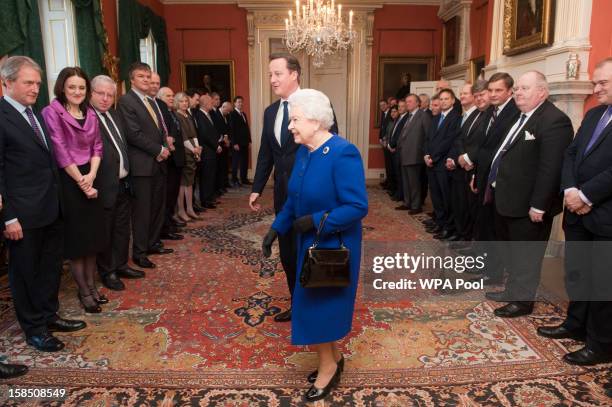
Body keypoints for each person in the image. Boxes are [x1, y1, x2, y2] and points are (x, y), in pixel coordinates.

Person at [261, 89, 368, 402]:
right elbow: (293, 200)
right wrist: (274, 230)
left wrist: (317, 220)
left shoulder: (343, 152)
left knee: (319, 307)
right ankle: (333, 357)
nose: (290, 126)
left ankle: (328, 369)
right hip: (308, 241)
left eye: (295, 119)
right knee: (313, 303)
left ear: (316, 121)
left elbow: (357, 206)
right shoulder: (305, 152)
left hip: (334, 244)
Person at [0, 56, 86, 353]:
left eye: (38, 82)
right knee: (26, 273)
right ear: (7, 82)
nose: (35, 88)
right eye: (28, 82)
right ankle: (34, 328)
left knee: (50, 268)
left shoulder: (33, 113)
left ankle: (49, 316)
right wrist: (7, 217)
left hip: (50, 207)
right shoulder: (2, 115)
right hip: (22, 214)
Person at [250, 53, 338, 323]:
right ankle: (297, 302)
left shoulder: (315, 104)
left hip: (312, 194)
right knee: (288, 253)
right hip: (283, 195)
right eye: (269, 74)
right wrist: (257, 187)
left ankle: (320, 305)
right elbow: (267, 153)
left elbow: (331, 146)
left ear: (294, 74)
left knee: (314, 250)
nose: (272, 79)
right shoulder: (270, 111)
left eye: (277, 73)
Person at [537, 58, 612, 365]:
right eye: (595, 83)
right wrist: (569, 189)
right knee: (578, 273)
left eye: (602, 83)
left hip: (604, 215)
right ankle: (575, 324)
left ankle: (601, 344)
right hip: (577, 211)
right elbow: (571, 153)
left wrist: (586, 194)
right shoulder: (595, 114)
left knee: (603, 283)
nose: (595, 89)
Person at [485, 71, 573, 318]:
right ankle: (511, 290)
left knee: (526, 255)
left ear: (542, 92)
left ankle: (522, 302)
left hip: (529, 205)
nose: (517, 93)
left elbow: (551, 168)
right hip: (507, 199)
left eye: (524, 88)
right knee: (511, 251)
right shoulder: (522, 116)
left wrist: (539, 205)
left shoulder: (555, 120)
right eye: (517, 89)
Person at [42, 67, 107, 313]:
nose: (77, 92)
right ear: (62, 88)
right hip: (69, 181)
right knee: (78, 242)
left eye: (81, 87)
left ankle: (92, 286)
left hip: (91, 175)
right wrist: (81, 181)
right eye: (72, 87)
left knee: (92, 239)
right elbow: (60, 148)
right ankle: (83, 291)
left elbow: (97, 147)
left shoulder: (89, 113)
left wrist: (91, 175)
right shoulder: (51, 112)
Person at [91, 75, 145, 291]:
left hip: (124, 182)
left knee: (123, 228)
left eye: (110, 95)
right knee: (106, 230)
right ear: (91, 94)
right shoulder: (87, 118)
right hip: (104, 184)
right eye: (101, 94)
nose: (105, 98)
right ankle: (107, 271)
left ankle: (121, 264)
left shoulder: (114, 114)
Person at [118, 62, 172, 270]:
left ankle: (152, 243)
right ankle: (139, 253)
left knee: (157, 207)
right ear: (131, 80)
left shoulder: (151, 101)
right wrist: (158, 150)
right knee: (142, 212)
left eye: (148, 76)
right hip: (142, 166)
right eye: (141, 76)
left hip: (158, 163)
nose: (146, 80)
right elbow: (133, 134)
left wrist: (164, 146)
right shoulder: (127, 101)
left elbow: (157, 130)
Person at [396, 94, 431, 214]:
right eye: (407, 102)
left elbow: (427, 136)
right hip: (404, 154)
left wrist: (424, 152)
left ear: (417, 103)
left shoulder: (423, 115)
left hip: (415, 155)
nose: (407, 104)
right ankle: (407, 202)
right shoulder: (408, 116)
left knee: (414, 182)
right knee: (406, 181)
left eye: (410, 102)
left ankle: (416, 205)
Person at [174, 92, 202, 221]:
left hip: (193, 150)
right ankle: (181, 210)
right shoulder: (177, 116)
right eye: (181, 101)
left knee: (190, 182)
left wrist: (197, 148)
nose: (184, 103)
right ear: (177, 103)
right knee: (183, 183)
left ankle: (190, 208)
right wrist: (194, 149)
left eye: (186, 101)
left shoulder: (188, 115)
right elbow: (183, 137)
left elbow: (194, 134)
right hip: (184, 151)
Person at [229, 96, 252, 186]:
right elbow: (232, 129)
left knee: (244, 162)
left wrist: (249, 141)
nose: (240, 104)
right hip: (237, 143)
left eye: (241, 102)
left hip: (245, 142)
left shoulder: (243, 114)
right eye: (238, 102)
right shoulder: (232, 114)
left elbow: (247, 128)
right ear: (234, 103)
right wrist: (234, 143)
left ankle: (244, 179)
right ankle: (234, 180)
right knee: (235, 162)